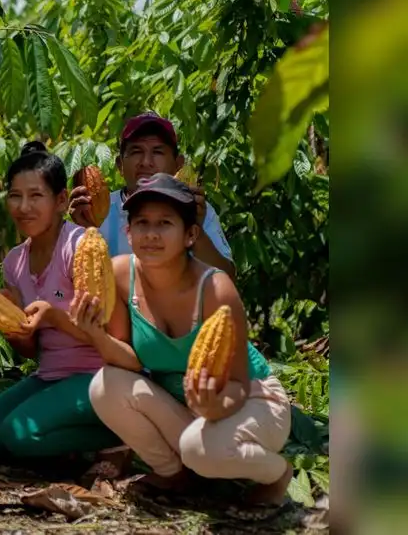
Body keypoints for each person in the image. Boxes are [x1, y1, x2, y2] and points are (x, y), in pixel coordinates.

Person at [68, 173, 292, 506]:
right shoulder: (119, 274)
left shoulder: (216, 290)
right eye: (142, 222)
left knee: (199, 449)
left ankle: (277, 474)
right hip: (186, 405)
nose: (152, 234)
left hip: (249, 401)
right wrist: (93, 333)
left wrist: (214, 406)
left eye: (165, 223)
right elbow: (128, 360)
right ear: (128, 233)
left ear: (190, 235)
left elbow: (238, 384)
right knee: (105, 385)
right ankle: (176, 475)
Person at [0, 142, 121, 467]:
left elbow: (108, 333)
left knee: (19, 434)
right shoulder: (14, 262)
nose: (23, 206)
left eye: (36, 196)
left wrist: (54, 317)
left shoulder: (82, 246)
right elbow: (32, 351)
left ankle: (119, 440)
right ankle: (61, 441)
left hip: (97, 375)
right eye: (15, 195)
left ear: (60, 201)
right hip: (49, 375)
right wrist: (17, 331)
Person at [68, 111, 236, 278]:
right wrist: (83, 232)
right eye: (136, 151)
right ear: (120, 165)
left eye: (158, 152)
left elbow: (226, 277)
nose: (146, 162)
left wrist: (195, 230)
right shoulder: (96, 212)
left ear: (178, 164)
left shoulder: (198, 211)